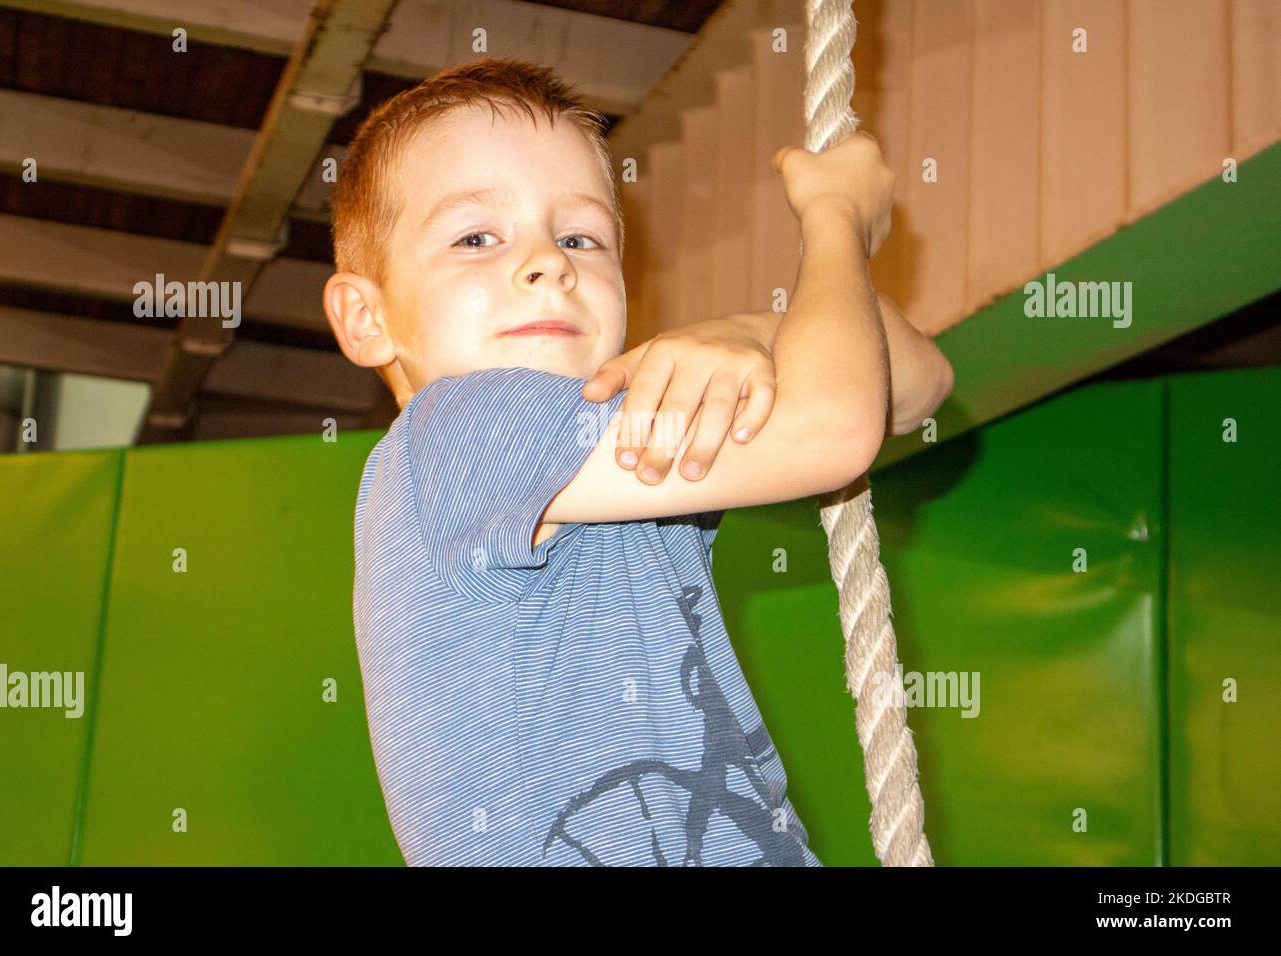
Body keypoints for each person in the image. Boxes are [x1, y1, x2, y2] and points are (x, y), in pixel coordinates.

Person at [323, 57, 952, 866]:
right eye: (476, 237)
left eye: (579, 237)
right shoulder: (460, 428)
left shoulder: (603, 454)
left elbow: (915, 385)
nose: (550, 261)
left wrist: (742, 331)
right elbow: (835, 428)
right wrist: (836, 220)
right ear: (365, 317)